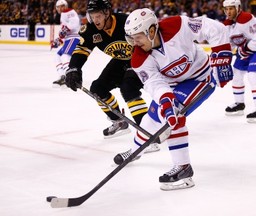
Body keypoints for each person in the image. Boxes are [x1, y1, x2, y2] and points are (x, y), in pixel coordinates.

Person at [113, 8, 233, 190]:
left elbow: (215, 29)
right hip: (172, 85)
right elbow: (154, 83)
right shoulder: (138, 57)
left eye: (137, 37)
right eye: (131, 38)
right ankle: (137, 150)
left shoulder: (176, 25)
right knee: (150, 120)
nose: (134, 43)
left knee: (174, 114)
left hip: (200, 77)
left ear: (151, 31)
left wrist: (221, 56)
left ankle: (184, 168)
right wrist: (165, 100)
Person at [64, 0, 159, 153]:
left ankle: (147, 132)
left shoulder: (126, 22)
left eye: (98, 16)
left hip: (140, 58)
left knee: (128, 88)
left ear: (107, 13)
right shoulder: (90, 30)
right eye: (92, 16)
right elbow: (81, 50)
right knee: (97, 88)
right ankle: (119, 121)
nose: (95, 20)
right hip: (121, 60)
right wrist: (73, 69)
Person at [223, 0, 256, 123]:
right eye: (226, 9)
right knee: (236, 74)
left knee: (253, 76)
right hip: (247, 50)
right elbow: (230, 44)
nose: (229, 12)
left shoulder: (247, 19)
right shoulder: (228, 24)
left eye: (231, 8)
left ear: (238, 8)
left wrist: (245, 49)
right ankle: (239, 104)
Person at [50, 0, 81, 87]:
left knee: (65, 56)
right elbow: (64, 32)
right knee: (57, 56)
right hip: (69, 39)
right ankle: (62, 76)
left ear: (66, 6)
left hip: (73, 38)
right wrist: (59, 40)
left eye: (62, 6)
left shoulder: (69, 12)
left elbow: (74, 24)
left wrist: (65, 30)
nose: (60, 8)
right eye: (58, 6)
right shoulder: (63, 15)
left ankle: (70, 77)